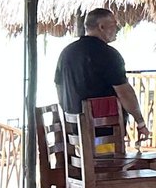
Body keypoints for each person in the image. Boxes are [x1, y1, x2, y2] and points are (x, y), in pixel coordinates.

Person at [53, 7, 148, 141]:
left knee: (88, 159)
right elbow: (124, 92)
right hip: (104, 134)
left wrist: (69, 112)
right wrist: (140, 123)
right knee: (115, 160)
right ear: (101, 27)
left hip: (74, 133)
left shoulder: (66, 53)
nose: (118, 29)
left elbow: (58, 86)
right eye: (114, 25)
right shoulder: (109, 55)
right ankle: (106, 162)